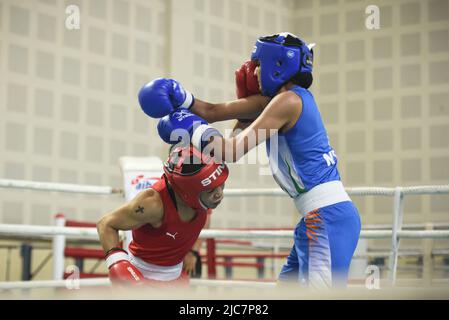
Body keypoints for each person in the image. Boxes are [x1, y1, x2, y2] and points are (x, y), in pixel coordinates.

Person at [138, 32, 361, 288]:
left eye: (258, 64)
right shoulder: (278, 101)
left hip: (328, 217)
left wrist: (191, 127)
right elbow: (212, 112)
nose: (254, 71)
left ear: (277, 65)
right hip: (315, 218)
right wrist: (182, 98)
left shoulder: (288, 101)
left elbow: (229, 151)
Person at [97, 144, 228, 286]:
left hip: (178, 276)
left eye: (221, 185)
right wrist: (117, 261)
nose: (219, 194)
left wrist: (192, 252)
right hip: (141, 278)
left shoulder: (201, 200)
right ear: (187, 190)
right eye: (211, 190)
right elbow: (106, 224)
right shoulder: (153, 203)